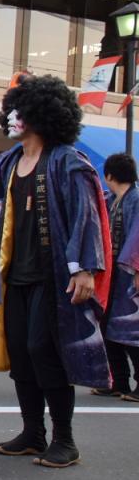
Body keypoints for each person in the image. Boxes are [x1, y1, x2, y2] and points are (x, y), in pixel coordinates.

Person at [0, 76, 112, 469]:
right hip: (14, 278)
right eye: (11, 109)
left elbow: (87, 216)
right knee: (22, 354)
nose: (11, 118)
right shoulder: (8, 162)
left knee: (46, 352)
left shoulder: (67, 161)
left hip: (53, 277)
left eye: (19, 111)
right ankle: (32, 433)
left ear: (41, 115)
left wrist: (86, 269)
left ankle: (65, 439)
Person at [98, 153, 139, 402]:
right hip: (113, 275)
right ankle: (117, 380)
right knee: (108, 327)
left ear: (109, 175)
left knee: (131, 329)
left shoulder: (135, 199)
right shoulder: (113, 199)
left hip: (129, 274)